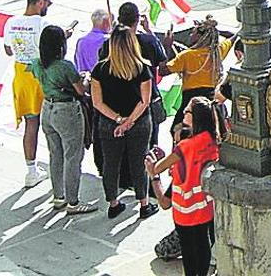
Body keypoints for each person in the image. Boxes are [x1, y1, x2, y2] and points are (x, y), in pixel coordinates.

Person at [146, 96, 221, 276]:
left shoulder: (186, 146)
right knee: (203, 242)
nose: (184, 113)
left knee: (188, 249)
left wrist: (153, 172)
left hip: (184, 208)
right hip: (204, 206)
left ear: (194, 118)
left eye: (187, 111)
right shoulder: (212, 140)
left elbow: (157, 167)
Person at [91, 25, 157, 220]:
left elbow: (97, 102)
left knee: (110, 163)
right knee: (139, 161)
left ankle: (113, 203)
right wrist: (129, 122)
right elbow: (145, 100)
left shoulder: (100, 69)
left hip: (109, 123)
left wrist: (118, 120)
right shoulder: (142, 68)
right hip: (139, 121)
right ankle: (144, 203)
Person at [31, 25, 96, 213]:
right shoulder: (65, 66)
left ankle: (58, 196)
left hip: (47, 109)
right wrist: (86, 78)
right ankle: (73, 201)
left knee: (55, 154)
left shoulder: (37, 64)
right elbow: (80, 90)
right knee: (73, 156)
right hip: (66, 110)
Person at [3, 0, 53, 188]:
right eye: (48, 3)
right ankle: (54, 162)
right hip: (40, 76)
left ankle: (31, 169)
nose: (48, 7)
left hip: (21, 76)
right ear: (40, 2)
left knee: (30, 125)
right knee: (50, 125)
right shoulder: (43, 23)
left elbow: (7, 50)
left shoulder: (11, 22)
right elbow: (50, 52)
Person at [162, 15, 232, 138]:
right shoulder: (217, 52)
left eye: (193, 33)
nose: (190, 35)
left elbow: (163, 71)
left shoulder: (186, 56)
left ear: (200, 37)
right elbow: (234, 36)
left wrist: (167, 46)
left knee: (179, 133)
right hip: (210, 104)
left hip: (190, 103)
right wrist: (214, 31)